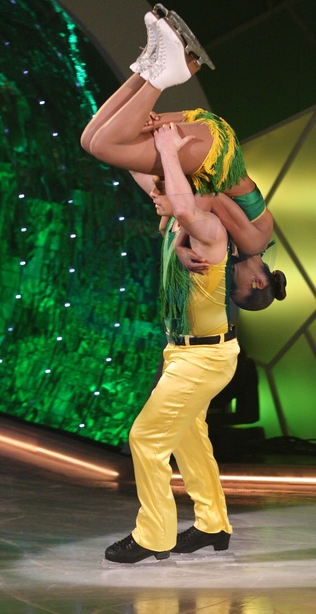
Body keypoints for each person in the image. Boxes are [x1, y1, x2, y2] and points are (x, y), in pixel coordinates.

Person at [80, 5, 286, 306]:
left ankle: (149, 64)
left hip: (209, 149)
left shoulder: (237, 246)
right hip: (214, 159)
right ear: (257, 281)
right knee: (106, 147)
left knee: (92, 141)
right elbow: (211, 196)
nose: (227, 282)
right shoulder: (254, 243)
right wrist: (178, 241)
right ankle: (168, 70)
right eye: (235, 288)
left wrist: (171, 216)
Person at [104, 121, 240, 564]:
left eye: (163, 186)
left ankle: (154, 535)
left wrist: (168, 150)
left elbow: (182, 204)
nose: (154, 193)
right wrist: (142, 130)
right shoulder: (175, 224)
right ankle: (213, 524)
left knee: (145, 437)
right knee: (189, 438)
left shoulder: (208, 228)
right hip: (185, 353)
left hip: (205, 357)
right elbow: (137, 169)